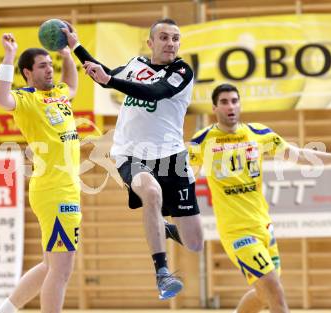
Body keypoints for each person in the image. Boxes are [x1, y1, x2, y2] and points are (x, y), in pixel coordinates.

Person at [188, 83, 331, 313]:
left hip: (264, 227)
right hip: (236, 233)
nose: (230, 106)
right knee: (276, 295)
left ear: (240, 104)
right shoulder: (201, 141)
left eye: (234, 101)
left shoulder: (258, 134)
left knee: (264, 294)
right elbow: (186, 175)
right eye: (224, 102)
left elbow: (300, 155)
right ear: (215, 108)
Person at [62, 18, 204, 300]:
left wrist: (111, 81)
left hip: (172, 158)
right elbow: (103, 74)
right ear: (150, 42)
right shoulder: (136, 64)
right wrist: (76, 46)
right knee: (150, 193)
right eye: (163, 37)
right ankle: (162, 272)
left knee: (195, 243)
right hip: (131, 154)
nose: (171, 43)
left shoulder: (182, 71)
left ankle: (160, 224)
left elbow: (156, 91)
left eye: (175, 38)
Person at [0, 31, 80, 313]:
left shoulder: (59, 94)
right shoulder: (25, 99)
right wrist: (9, 55)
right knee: (61, 270)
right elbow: (0, 97)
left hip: (65, 187)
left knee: (50, 265)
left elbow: (72, 85)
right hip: (54, 190)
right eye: (42, 65)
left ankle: (3, 311)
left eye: (50, 64)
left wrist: (66, 55)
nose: (49, 69)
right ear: (27, 72)